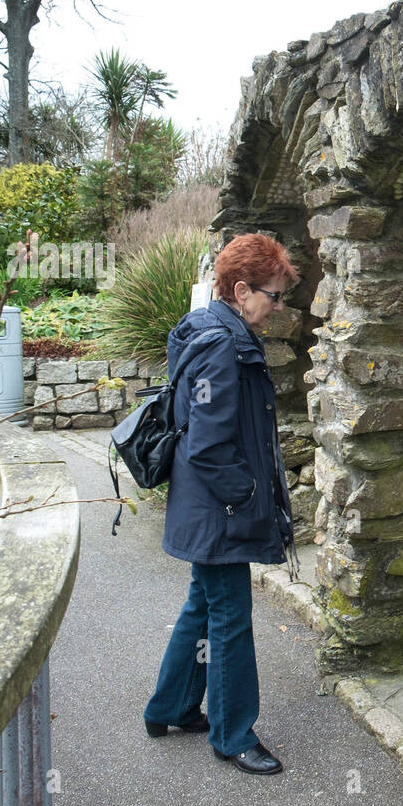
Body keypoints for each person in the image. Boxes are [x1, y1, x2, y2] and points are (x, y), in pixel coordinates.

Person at [142, 233, 301, 775]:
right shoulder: (220, 343)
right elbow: (208, 445)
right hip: (220, 511)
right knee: (230, 616)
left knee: (203, 604)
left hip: (208, 508)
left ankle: (170, 707)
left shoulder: (212, 330)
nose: (278, 308)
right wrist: (248, 495)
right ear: (240, 289)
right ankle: (232, 735)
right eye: (273, 296)